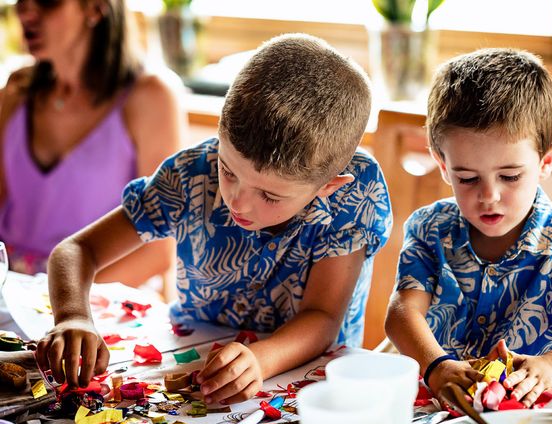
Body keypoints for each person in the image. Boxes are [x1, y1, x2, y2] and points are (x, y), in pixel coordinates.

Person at [35, 33, 392, 404]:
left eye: (269, 195)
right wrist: (73, 316)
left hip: (309, 385)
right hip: (195, 363)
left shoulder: (354, 195)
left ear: (328, 186)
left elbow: (323, 317)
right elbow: (77, 250)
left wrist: (260, 359)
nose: (237, 201)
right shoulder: (191, 173)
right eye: (228, 168)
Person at [385, 48, 552, 407]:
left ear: (546, 161)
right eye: (467, 177)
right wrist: (436, 365)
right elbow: (402, 312)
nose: (489, 196)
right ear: (442, 164)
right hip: (439, 406)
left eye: (510, 176)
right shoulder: (430, 228)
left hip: (530, 416)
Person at [0, 0, 184, 285]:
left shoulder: (151, 97)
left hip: (95, 296)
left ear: (96, 7)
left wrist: (63, 303)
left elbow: (158, 251)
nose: (25, 10)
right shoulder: (17, 88)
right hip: (9, 286)